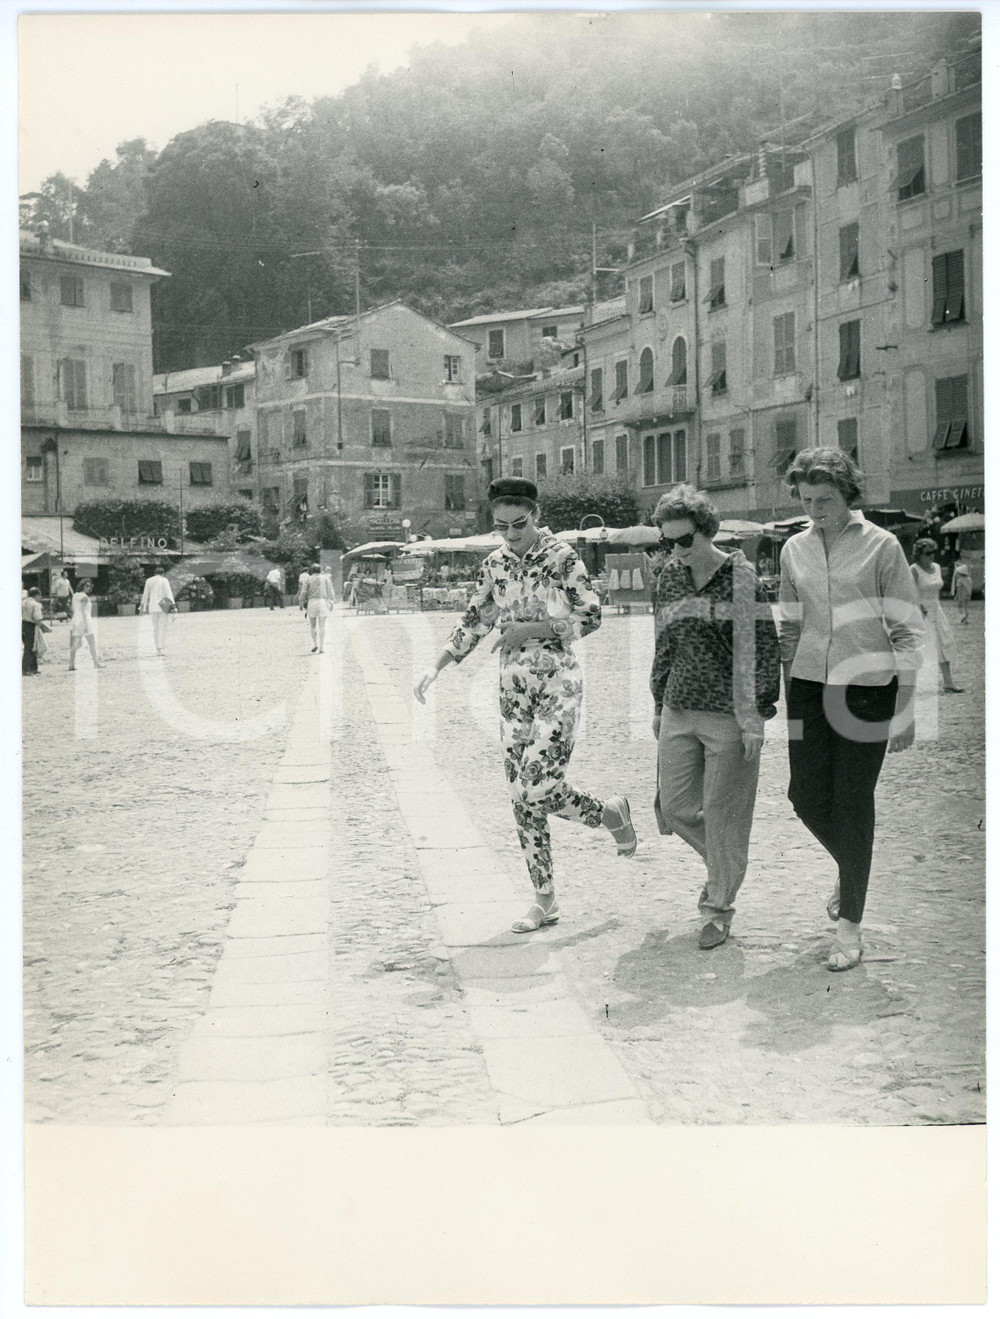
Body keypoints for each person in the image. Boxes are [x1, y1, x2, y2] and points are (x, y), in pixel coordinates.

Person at [414, 477, 636, 934]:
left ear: (535, 516)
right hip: (513, 690)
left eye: (519, 524)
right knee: (521, 798)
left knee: (536, 786)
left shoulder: (561, 557)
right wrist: (436, 665)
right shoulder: (494, 565)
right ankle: (544, 898)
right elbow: (474, 620)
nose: (511, 534)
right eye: (501, 526)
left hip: (559, 682)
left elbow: (591, 614)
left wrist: (531, 630)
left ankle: (609, 814)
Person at [778, 449, 924, 972]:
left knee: (853, 799)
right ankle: (851, 865)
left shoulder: (882, 547)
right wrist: (782, 692)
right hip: (808, 687)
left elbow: (907, 630)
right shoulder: (792, 549)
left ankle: (850, 927)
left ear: (848, 495)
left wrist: (905, 709)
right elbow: (790, 627)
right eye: (806, 499)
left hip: (866, 690)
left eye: (825, 499)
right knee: (803, 795)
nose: (814, 509)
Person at [650, 485, 781, 950]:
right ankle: (726, 866)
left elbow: (760, 651)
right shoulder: (667, 577)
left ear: (708, 532)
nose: (676, 551)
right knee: (674, 807)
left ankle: (718, 908)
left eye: (684, 541)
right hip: (678, 708)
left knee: (725, 817)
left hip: (729, 715)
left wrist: (755, 716)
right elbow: (664, 643)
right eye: (667, 542)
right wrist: (656, 701)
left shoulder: (742, 579)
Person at [910, 539, 962, 692]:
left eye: (933, 552)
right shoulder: (914, 570)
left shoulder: (937, 567)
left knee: (944, 643)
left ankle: (948, 681)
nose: (931, 556)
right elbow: (909, 594)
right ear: (918, 554)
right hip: (921, 613)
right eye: (927, 553)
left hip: (937, 610)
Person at [140, 564, 176, 656]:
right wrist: (174, 606)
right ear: (163, 573)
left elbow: (145, 595)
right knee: (162, 627)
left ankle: (157, 649)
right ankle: (161, 648)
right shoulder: (164, 580)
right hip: (163, 606)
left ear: (154, 573)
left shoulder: (149, 580)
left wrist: (143, 607)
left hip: (152, 607)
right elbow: (168, 593)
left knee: (156, 628)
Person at [300, 562, 336, 652]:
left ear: (311, 570)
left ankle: (315, 643)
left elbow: (303, 592)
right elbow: (331, 592)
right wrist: (331, 601)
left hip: (312, 602)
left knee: (313, 626)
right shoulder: (325, 578)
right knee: (322, 626)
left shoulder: (308, 579)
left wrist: (301, 602)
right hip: (322, 602)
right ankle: (321, 647)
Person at [69, 579, 101, 671]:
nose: (89, 588)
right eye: (87, 586)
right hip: (84, 620)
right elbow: (83, 611)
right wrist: (86, 624)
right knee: (91, 642)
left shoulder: (75, 595)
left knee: (74, 644)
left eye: (90, 586)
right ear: (83, 586)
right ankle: (96, 663)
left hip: (76, 619)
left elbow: (73, 609)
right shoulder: (84, 597)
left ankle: (71, 664)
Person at [22, 588, 45, 676]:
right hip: (32, 625)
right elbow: (38, 618)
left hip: (23, 624)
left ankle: (32, 668)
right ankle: (27, 669)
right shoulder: (36, 604)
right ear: (36, 595)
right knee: (32, 646)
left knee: (28, 646)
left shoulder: (23, 602)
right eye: (39, 595)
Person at [952, 553, 972, 624]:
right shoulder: (969, 579)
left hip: (961, 595)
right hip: (968, 595)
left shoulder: (960, 580)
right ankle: (966, 620)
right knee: (966, 607)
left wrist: (956, 596)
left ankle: (962, 615)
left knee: (959, 606)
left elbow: (959, 589)